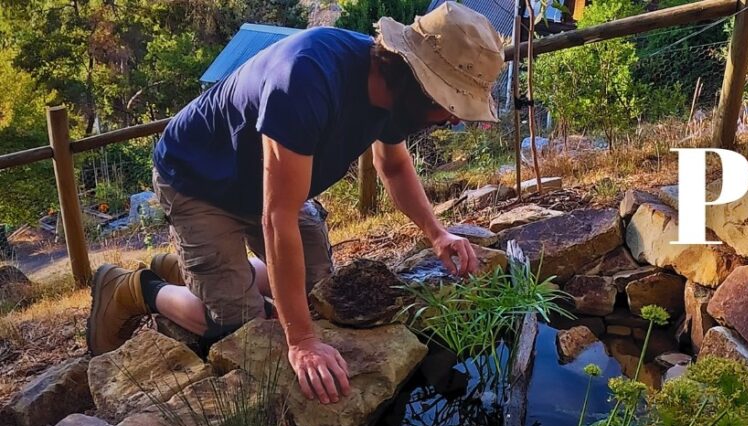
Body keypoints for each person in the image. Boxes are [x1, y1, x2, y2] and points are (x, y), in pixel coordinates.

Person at [85, 2, 505, 405]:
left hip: (269, 187)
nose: (453, 119)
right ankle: (135, 288)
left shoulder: (395, 92)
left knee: (320, 292)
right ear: (417, 80)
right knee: (245, 327)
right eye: (449, 105)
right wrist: (301, 341)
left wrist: (437, 233)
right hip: (200, 180)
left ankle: (193, 266)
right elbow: (277, 218)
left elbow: (393, 168)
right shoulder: (307, 78)